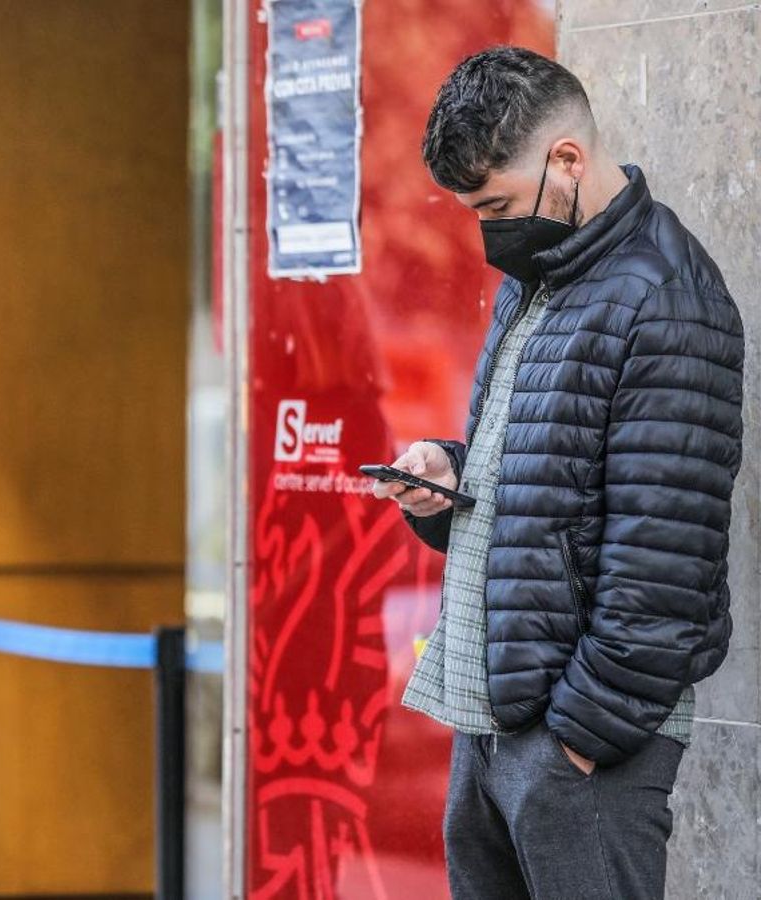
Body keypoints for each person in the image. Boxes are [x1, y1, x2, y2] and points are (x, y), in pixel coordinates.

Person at [371, 47, 744, 899]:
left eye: (496, 204)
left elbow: (668, 563)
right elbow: (547, 479)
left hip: (580, 751)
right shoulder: (539, 275)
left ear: (567, 161)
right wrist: (448, 481)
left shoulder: (670, 297)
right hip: (496, 721)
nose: (488, 230)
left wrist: (570, 745)